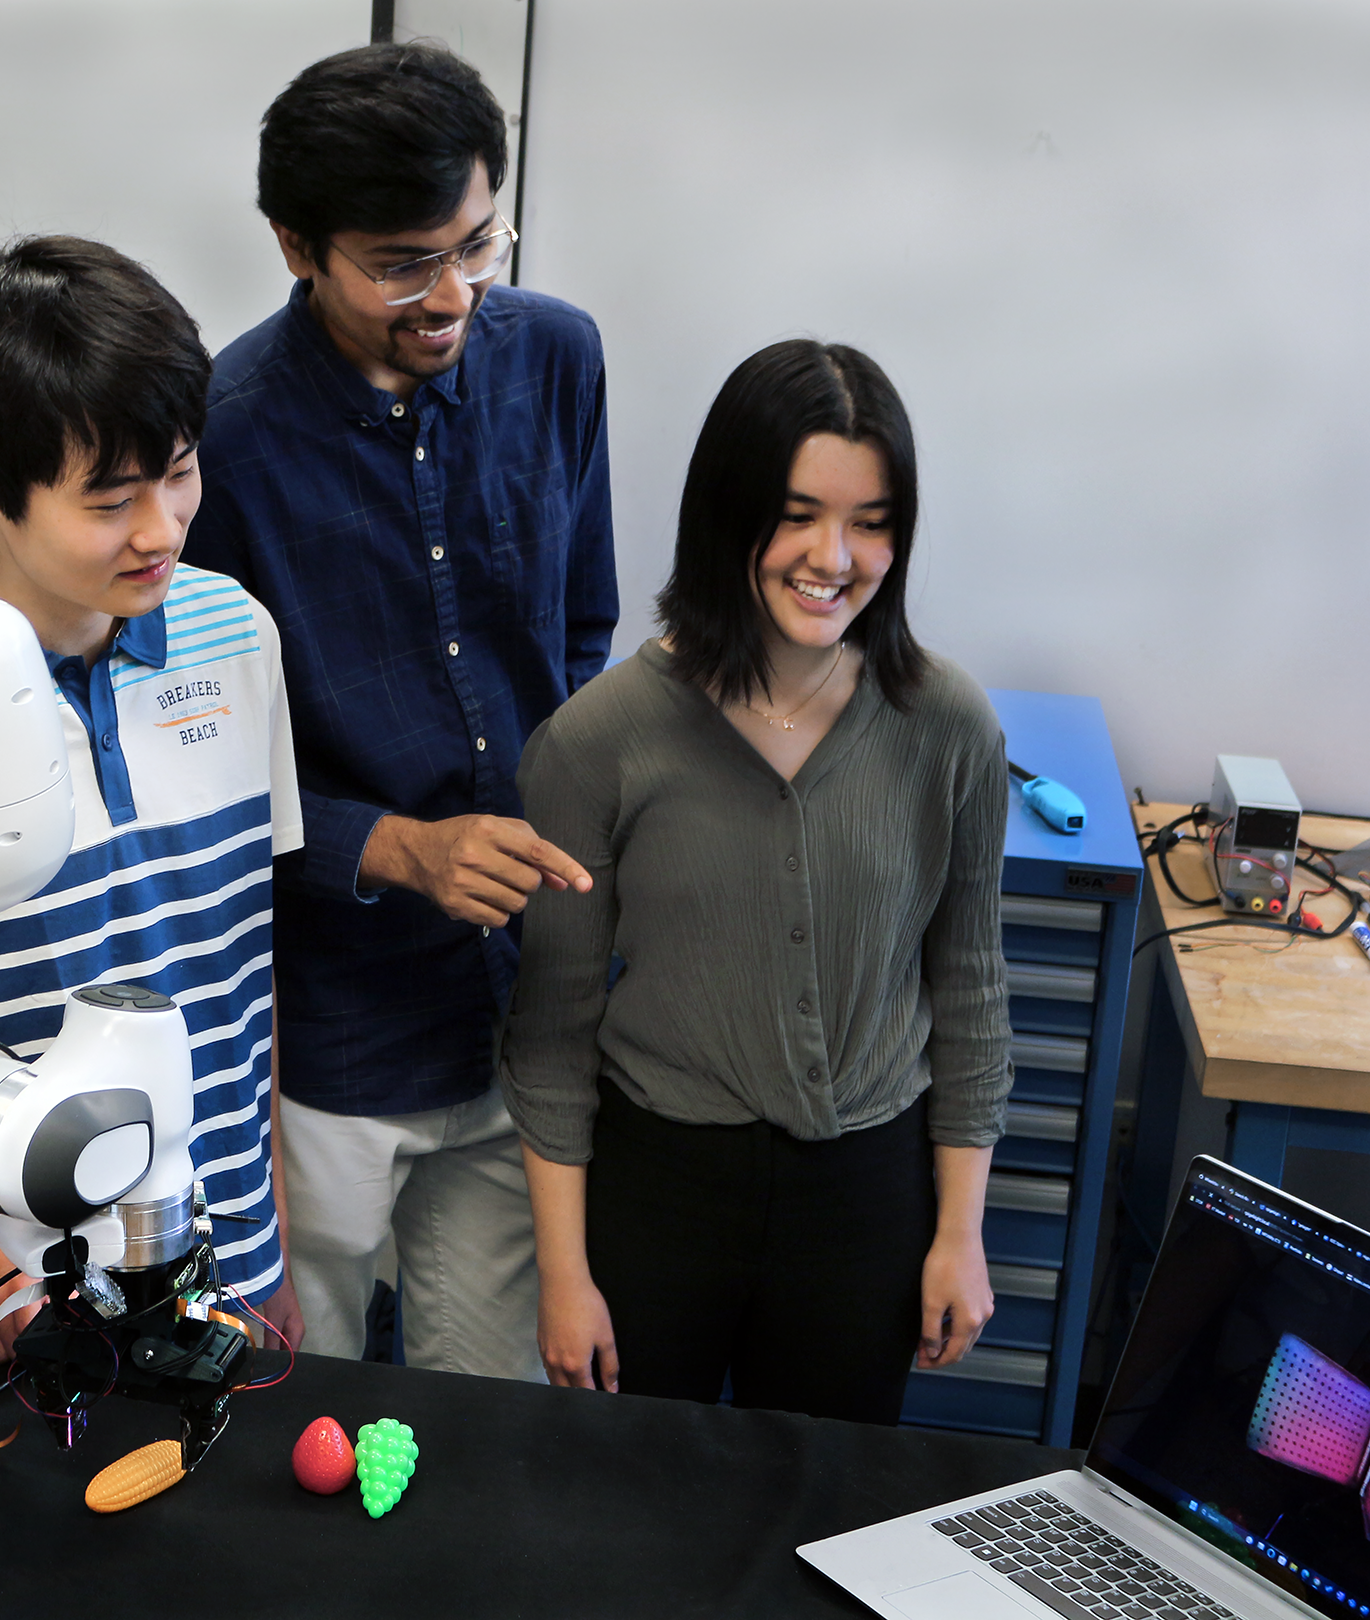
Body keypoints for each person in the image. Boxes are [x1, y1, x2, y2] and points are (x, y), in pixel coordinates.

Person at [181, 41, 615, 1379]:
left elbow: (584, 636)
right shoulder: (222, 438)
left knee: (484, 1412)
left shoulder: (555, 358)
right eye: (401, 266)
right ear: (295, 245)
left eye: (477, 244)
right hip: (329, 1039)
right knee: (279, 1401)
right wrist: (397, 850)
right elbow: (197, 778)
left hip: (520, 1023)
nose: (452, 296)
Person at [0, 237, 306, 1362]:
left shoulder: (235, 635)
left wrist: (271, 1242)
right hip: (16, 1289)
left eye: (180, 472)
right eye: (111, 498)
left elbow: (235, 971)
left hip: (225, 1257)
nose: (162, 529)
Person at [498, 339, 1008, 1424]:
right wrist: (562, 1273)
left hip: (868, 1198)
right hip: (659, 1191)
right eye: (799, 513)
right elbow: (551, 1034)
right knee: (636, 1521)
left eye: (873, 521)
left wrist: (959, 1234)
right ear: (729, 511)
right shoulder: (598, 742)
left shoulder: (949, 727)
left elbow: (968, 988)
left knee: (828, 1523)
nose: (836, 555)